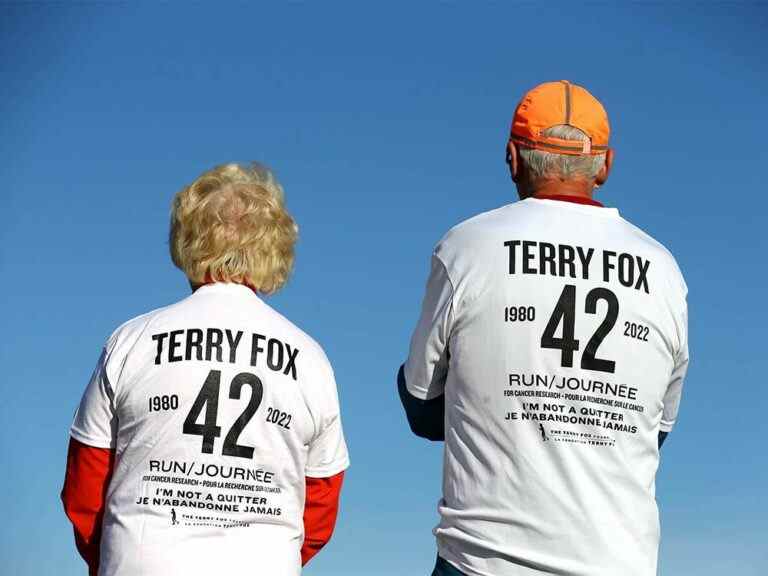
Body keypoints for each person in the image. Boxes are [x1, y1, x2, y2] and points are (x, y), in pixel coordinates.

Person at [398, 81, 688, 576]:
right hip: (619, 562)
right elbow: (653, 429)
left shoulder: (467, 247)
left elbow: (422, 407)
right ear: (605, 165)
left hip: (482, 561)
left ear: (513, 157)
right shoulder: (664, 272)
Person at [62, 163, 349, 576]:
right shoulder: (310, 359)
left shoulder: (132, 340)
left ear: (186, 240)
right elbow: (321, 503)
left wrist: (109, 559)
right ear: (277, 247)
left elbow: (85, 484)